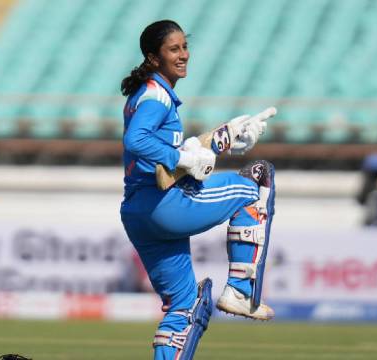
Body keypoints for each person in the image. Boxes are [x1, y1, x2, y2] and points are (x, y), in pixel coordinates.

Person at [119, 20, 277, 360]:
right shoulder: (156, 96)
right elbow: (140, 141)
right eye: (173, 50)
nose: (183, 55)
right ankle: (240, 290)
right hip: (164, 203)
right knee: (257, 180)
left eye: (184, 47)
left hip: (138, 211)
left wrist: (228, 136)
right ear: (153, 58)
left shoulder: (148, 93)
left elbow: (184, 152)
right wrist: (184, 159)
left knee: (184, 305)